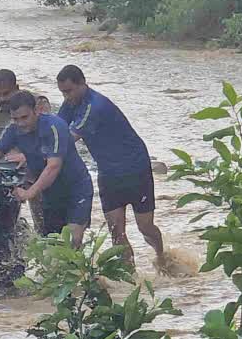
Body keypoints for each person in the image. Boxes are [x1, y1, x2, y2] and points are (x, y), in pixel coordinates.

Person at [55, 64, 165, 265]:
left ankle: (161, 257)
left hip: (135, 168)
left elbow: (66, 139)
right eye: (62, 92)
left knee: (145, 226)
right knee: (116, 231)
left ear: (83, 84)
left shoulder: (94, 106)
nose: (66, 97)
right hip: (108, 171)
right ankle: (130, 277)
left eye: (69, 91)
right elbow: (56, 128)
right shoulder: (71, 103)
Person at [0, 91, 93, 248]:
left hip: (76, 189)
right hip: (50, 193)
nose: (20, 123)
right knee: (51, 244)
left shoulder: (54, 126)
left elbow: (53, 166)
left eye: (24, 117)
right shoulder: (14, 130)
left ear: (37, 111)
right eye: (15, 119)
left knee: (72, 239)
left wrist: (29, 193)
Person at [0, 69, 45, 234]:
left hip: (34, 165)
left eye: (6, 93)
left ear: (17, 88)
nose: (1, 99)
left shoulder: (35, 105)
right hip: (5, 166)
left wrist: (27, 155)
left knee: (42, 218)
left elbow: (49, 140)